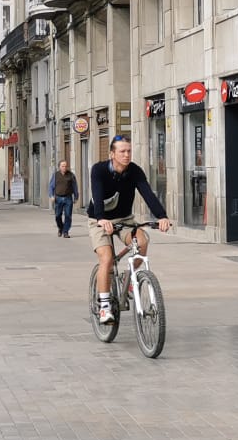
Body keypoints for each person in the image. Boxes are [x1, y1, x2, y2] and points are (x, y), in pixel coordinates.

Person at [87, 136, 172, 324]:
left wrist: (161, 216)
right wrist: (101, 218)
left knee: (142, 242)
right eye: (122, 151)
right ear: (112, 154)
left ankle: (128, 275)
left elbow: (147, 193)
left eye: (128, 151)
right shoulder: (99, 170)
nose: (126, 155)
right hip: (99, 220)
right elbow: (97, 194)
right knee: (107, 259)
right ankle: (104, 306)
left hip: (124, 219)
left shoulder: (134, 171)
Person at [48, 159, 78, 238]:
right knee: (58, 215)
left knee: (68, 215)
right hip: (58, 198)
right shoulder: (55, 175)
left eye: (65, 166)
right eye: (62, 166)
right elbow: (51, 186)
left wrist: (76, 196)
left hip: (68, 198)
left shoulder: (71, 175)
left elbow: (75, 186)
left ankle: (65, 232)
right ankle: (60, 228)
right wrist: (51, 195)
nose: (64, 167)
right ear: (59, 167)